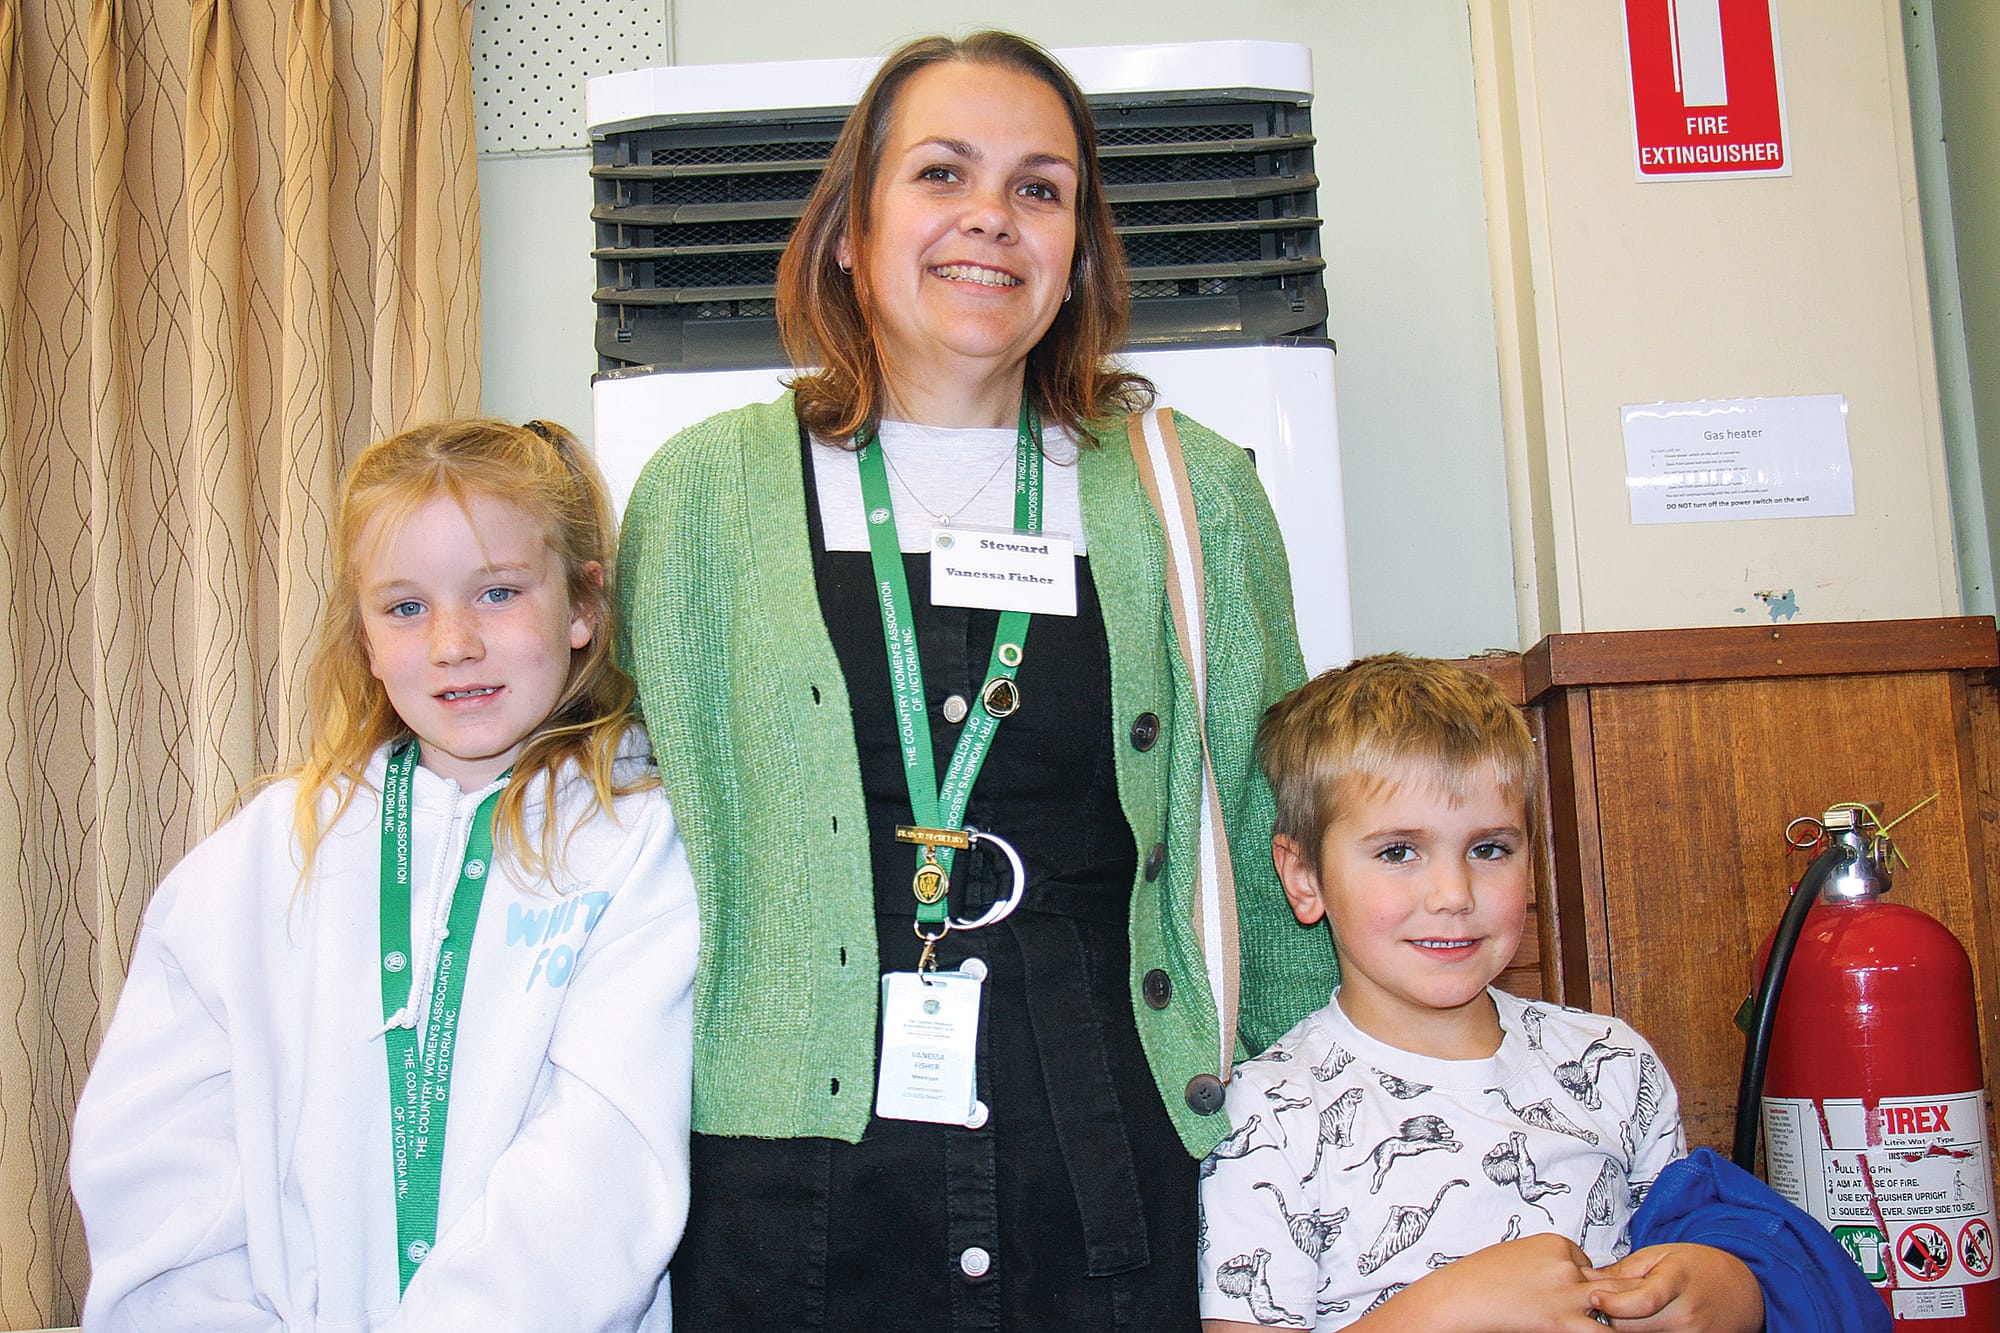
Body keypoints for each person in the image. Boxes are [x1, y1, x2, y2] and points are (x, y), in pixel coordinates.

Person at [617, 30, 1332, 1330]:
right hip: (794, 1204)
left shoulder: (1196, 495)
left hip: (1114, 1169)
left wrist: (1306, 1188)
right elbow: (624, 847)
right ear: (851, 228)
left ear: (1081, 252)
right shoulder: (703, 496)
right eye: (943, 174)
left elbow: (1275, 843)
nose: (991, 219)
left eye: (1040, 189)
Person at [71, 419, 698, 1331]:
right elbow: (163, 1157)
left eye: (497, 592)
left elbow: (605, 1156)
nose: (452, 643)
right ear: (363, 634)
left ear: (582, 606)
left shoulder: (638, 841)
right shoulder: (268, 855)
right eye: (405, 607)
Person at [1200, 654, 1881, 1332]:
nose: (1454, 895)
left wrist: (1733, 1288)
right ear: (1304, 875)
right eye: (1399, 851)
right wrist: (1450, 1308)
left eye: (1490, 848)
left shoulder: (1612, 1060)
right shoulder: (1268, 1115)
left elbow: (1696, 1236)